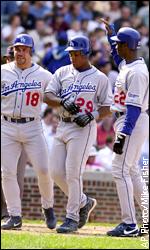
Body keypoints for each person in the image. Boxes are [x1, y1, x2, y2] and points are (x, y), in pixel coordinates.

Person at [44, 35, 113, 233]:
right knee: (56, 172)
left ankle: (72, 218)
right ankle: (84, 201)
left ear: (86, 54)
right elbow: (47, 96)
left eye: (76, 53)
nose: (73, 57)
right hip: (63, 125)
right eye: (71, 53)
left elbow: (108, 107)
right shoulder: (62, 71)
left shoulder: (99, 77)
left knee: (73, 173)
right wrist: (62, 101)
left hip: (83, 128)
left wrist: (92, 115)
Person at [1, 34, 56, 230]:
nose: (20, 52)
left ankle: (48, 207)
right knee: (7, 172)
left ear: (31, 51)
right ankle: (14, 215)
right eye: (17, 49)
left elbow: (56, 96)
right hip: (6, 125)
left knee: (43, 169)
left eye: (24, 49)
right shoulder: (3, 71)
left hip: (32, 125)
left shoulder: (43, 75)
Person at [101, 19, 149, 237]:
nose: (116, 46)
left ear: (129, 46)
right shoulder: (128, 64)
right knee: (131, 171)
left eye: (120, 43)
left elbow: (134, 108)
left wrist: (123, 134)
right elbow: (117, 56)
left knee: (119, 170)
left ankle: (129, 224)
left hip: (132, 121)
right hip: (129, 120)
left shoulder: (138, 72)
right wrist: (111, 33)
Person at [1, 45, 28, 221]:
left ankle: (12, 213)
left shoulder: (29, 77)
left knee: (17, 174)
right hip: (4, 127)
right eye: (11, 56)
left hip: (24, 130)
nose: (13, 59)